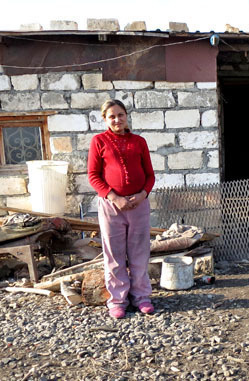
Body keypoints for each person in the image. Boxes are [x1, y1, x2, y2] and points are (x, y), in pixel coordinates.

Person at [88, 99, 156, 319]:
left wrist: (143, 194)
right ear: (105, 119)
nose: (117, 120)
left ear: (126, 116)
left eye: (120, 115)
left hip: (139, 205)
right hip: (111, 206)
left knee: (139, 252)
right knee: (114, 254)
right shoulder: (99, 141)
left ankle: (142, 297)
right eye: (112, 116)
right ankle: (117, 300)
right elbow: (93, 176)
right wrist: (114, 197)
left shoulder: (139, 142)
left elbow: (150, 175)